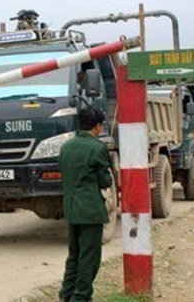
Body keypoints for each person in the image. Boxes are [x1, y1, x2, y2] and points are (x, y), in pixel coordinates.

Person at [58, 106, 113, 302]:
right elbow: (105, 181)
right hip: (90, 210)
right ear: (98, 126)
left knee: (74, 255)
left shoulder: (66, 147)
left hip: (71, 209)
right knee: (89, 258)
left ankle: (66, 294)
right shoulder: (98, 148)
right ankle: (81, 297)